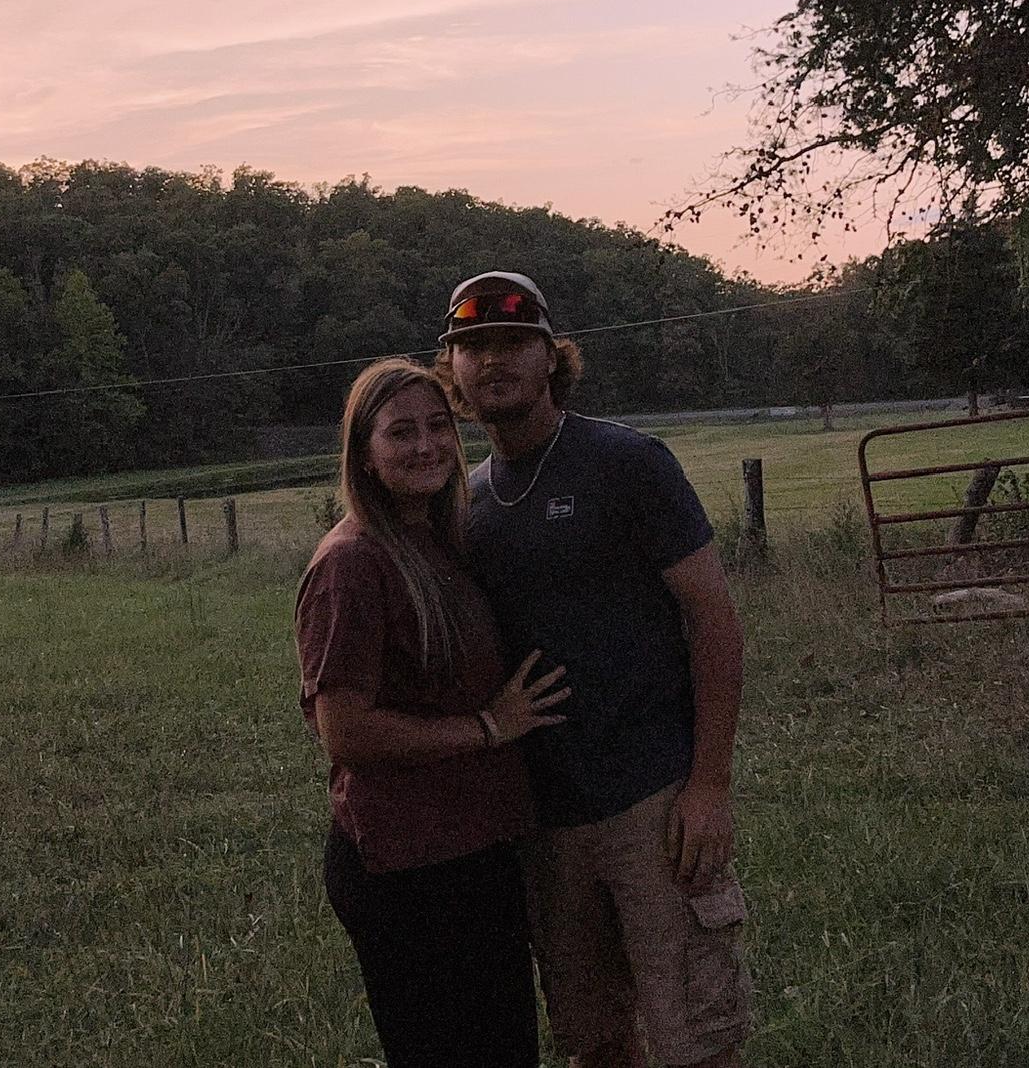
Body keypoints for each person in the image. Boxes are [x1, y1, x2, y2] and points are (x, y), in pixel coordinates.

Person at [434, 273, 752, 1068]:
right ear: (453, 373)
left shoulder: (626, 463)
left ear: (552, 357)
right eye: (473, 347)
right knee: (596, 1043)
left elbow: (713, 619)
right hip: (542, 821)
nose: (492, 360)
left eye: (514, 342)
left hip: (653, 803)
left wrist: (709, 785)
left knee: (696, 1040)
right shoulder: (467, 503)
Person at [294, 357, 569, 1068]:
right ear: (364, 453)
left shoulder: (439, 541)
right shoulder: (352, 563)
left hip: (472, 851)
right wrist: (488, 728)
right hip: (409, 866)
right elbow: (345, 729)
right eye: (400, 432)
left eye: (438, 426)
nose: (426, 446)